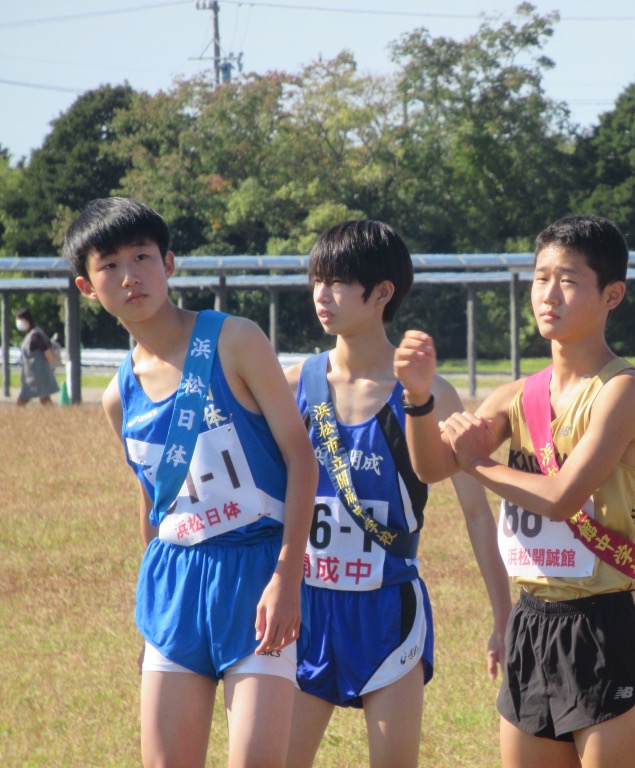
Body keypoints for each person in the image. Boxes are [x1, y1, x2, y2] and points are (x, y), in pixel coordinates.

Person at [395, 214, 635, 768]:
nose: (548, 293)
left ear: (613, 294)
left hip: (602, 622)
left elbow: (561, 496)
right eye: (541, 278)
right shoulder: (518, 394)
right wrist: (419, 401)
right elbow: (431, 468)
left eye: (568, 279)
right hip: (531, 621)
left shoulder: (623, 392)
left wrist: (479, 465)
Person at [63, 197, 318, 768]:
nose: (130, 276)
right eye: (109, 266)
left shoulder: (235, 339)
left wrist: (287, 576)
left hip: (256, 573)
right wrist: (153, 609)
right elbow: (152, 503)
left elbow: (302, 458)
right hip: (174, 585)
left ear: (170, 263)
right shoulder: (116, 395)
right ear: (87, 286)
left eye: (142, 257)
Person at [283, 220, 512, 768]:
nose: (322, 294)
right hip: (305, 610)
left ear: (382, 292)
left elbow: (478, 515)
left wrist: (503, 617)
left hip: (390, 613)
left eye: (338, 281)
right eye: (317, 279)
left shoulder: (430, 393)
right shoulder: (293, 384)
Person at [15, 307, 60, 405]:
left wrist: (51, 366)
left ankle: (15, 418)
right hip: (33, 374)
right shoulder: (31, 334)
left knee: (22, 400)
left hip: (37, 374)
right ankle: (53, 417)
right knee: (44, 399)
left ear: (26, 320)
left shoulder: (35, 335)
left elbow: (46, 350)